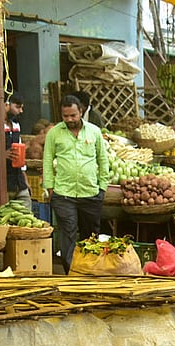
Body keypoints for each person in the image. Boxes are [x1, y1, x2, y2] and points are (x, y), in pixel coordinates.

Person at [43, 94, 110, 274]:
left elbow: (103, 160)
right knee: (68, 233)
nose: (70, 119)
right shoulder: (54, 133)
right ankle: (71, 272)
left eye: (73, 115)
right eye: (66, 116)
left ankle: (90, 270)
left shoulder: (94, 131)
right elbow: (47, 162)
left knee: (90, 235)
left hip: (91, 193)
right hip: (64, 194)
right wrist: (50, 189)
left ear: (81, 111)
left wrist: (102, 187)